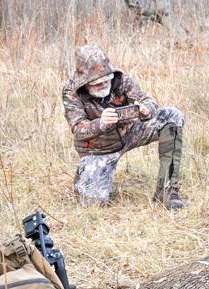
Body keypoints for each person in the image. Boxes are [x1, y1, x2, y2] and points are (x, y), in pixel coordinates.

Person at [62, 44, 185, 209]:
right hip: (97, 149)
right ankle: (84, 175)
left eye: (107, 79)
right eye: (97, 83)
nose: (104, 84)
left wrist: (146, 109)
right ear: (85, 82)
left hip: (130, 132)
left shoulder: (119, 79)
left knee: (172, 116)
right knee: (93, 202)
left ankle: (167, 190)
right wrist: (101, 123)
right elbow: (77, 129)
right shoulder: (71, 92)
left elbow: (148, 99)